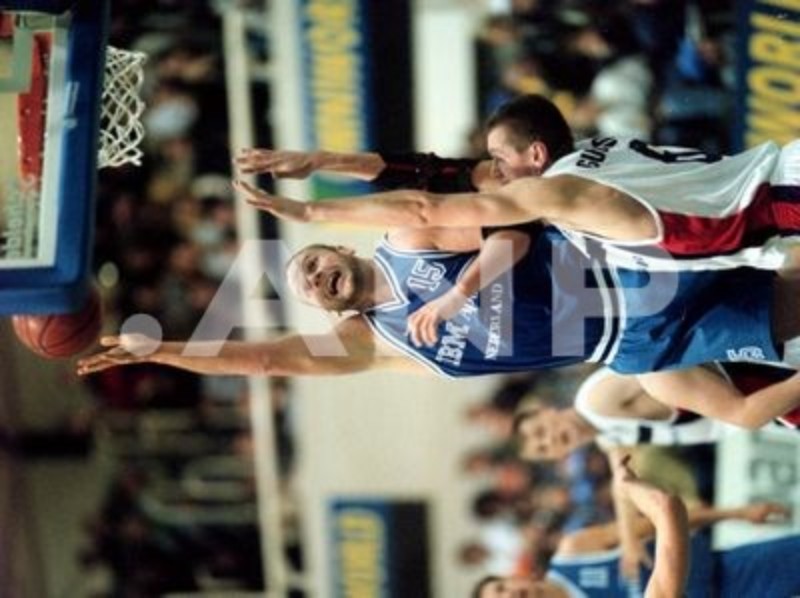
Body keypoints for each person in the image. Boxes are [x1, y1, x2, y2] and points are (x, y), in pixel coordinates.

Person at [79, 225, 800, 432]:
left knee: (784, 268)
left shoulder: (409, 240)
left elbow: (510, 226)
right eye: (308, 287)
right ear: (328, 312)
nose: (317, 278)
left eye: (316, 263)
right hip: (628, 343)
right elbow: (266, 362)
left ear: (342, 249)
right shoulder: (374, 343)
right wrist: (164, 352)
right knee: (784, 316)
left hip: (626, 275)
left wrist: (459, 292)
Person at [237, 95, 800, 274]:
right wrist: (321, 160)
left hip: (782, 201)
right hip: (777, 178)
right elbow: (437, 173)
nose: (494, 173)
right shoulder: (593, 149)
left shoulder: (551, 191)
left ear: (535, 155)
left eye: (499, 160)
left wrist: (312, 214)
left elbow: (425, 208)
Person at [473, 458, 799, 597]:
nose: (510, 596)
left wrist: (737, 512)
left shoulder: (574, 551)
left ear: (515, 576)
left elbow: (655, 521)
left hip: (731, 570)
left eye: (501, 588)